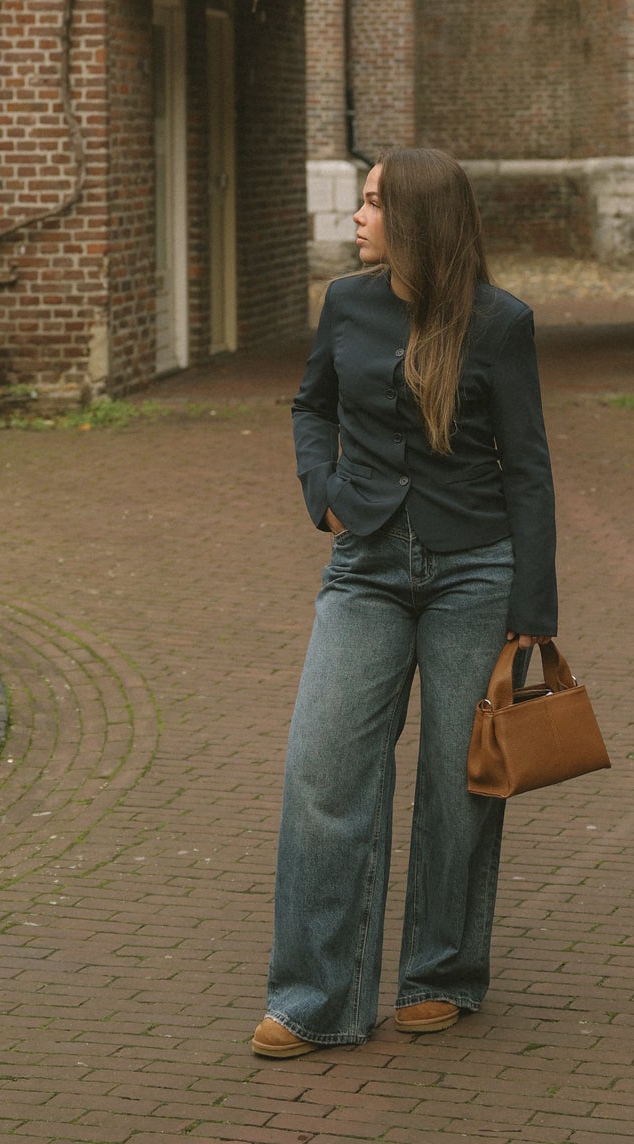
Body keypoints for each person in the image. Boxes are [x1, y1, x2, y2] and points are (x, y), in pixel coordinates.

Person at [252, 145, 558, 1057]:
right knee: (322, 771)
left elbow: (529, 467)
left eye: (374, 201)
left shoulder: (500, 323)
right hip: (366, 568)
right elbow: (310, 406)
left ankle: (441, 973)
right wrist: (326, 490)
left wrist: (533, 608)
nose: (357, 216)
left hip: (476, 571)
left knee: (457, 784)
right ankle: (314, 1000)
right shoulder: (346, 303)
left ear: (416, 219)